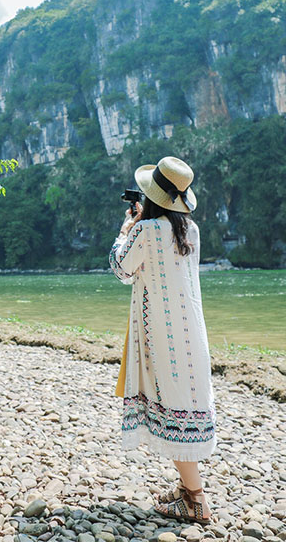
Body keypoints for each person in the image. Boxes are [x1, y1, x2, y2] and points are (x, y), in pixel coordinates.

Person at [109, 155, 216, 525]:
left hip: (161, 337)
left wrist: (126, 229)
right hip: (191, 334)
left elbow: (122, 269)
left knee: (171, 409)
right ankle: (187, 491)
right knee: (184, 408)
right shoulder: (191, 231)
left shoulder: (146, 230)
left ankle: (197, 500)